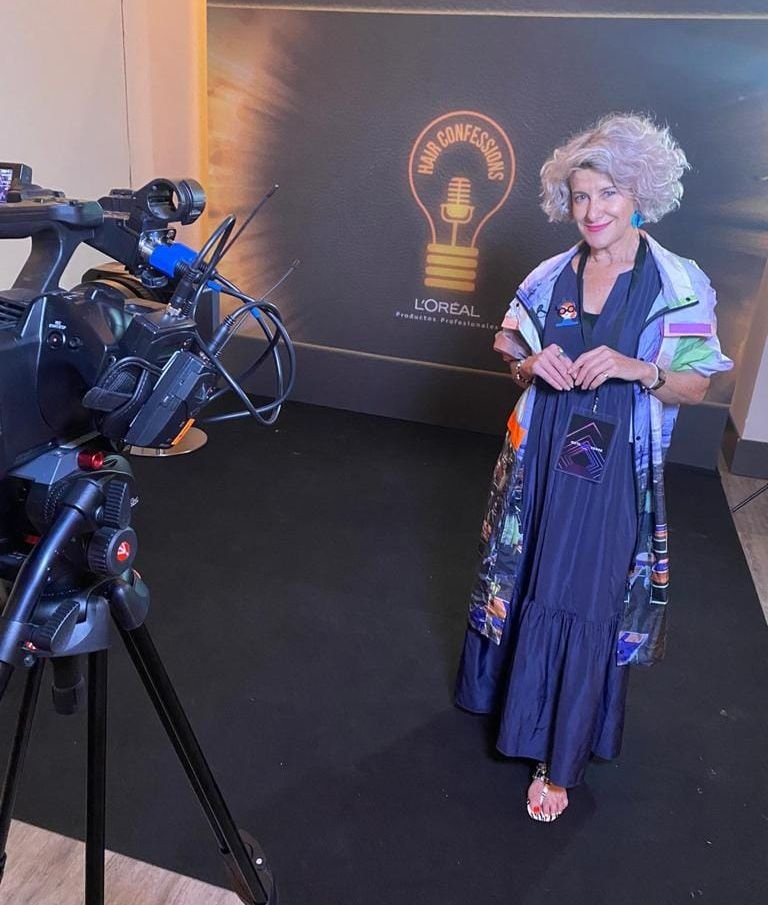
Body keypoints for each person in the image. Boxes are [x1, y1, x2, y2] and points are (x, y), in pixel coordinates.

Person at [454, 113, 733, 822]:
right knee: (527, 573)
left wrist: (640, 368)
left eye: (608, 193)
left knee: (583, 593)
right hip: (542, 455)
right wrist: (531, 364)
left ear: (640, 195)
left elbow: (698, 385)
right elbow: (510, 349)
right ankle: (507, 704)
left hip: (612, 473)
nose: (593, 210)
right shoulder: (551, 275)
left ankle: (558, 756)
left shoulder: (677, 282)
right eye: (580, 196)